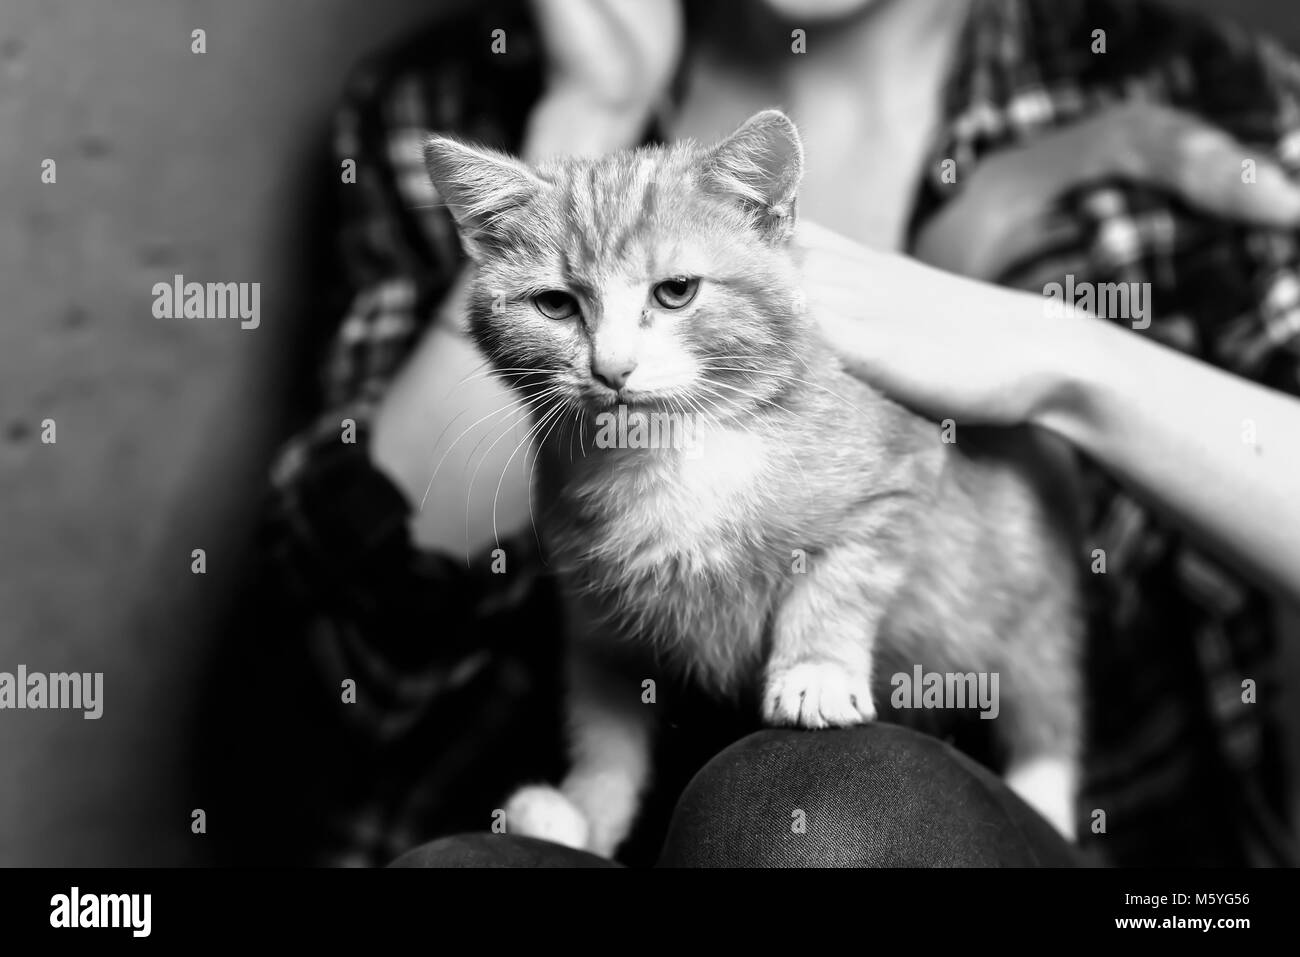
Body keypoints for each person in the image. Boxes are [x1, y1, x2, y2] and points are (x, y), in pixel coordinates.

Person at [264, 0, 1300, 867]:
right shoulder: (444, 101)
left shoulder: (1202, 83)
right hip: (615, 809)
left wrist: (1066, 362)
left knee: (824, 817)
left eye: (673, 288)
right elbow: (354, 684)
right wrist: (584, 119)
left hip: (1068, 835)